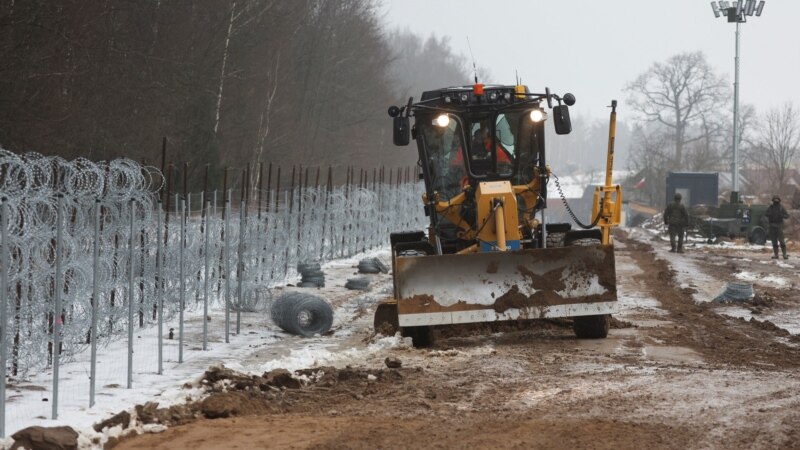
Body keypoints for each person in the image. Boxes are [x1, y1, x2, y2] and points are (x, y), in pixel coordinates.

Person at [765, 195, 789, 259]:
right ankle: (776, 254)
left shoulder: (781, 208)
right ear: (773, 200)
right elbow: (766, 214)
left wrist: (782, 215)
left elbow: (787, 216)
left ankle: (784, 254)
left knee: (782, 241)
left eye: (777, 200)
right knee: (774, 241)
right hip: (772, 225)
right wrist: (770, 214)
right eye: (775, 200)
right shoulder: (770, 207)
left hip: (779, 226)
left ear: (779, 200)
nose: (776, 201)